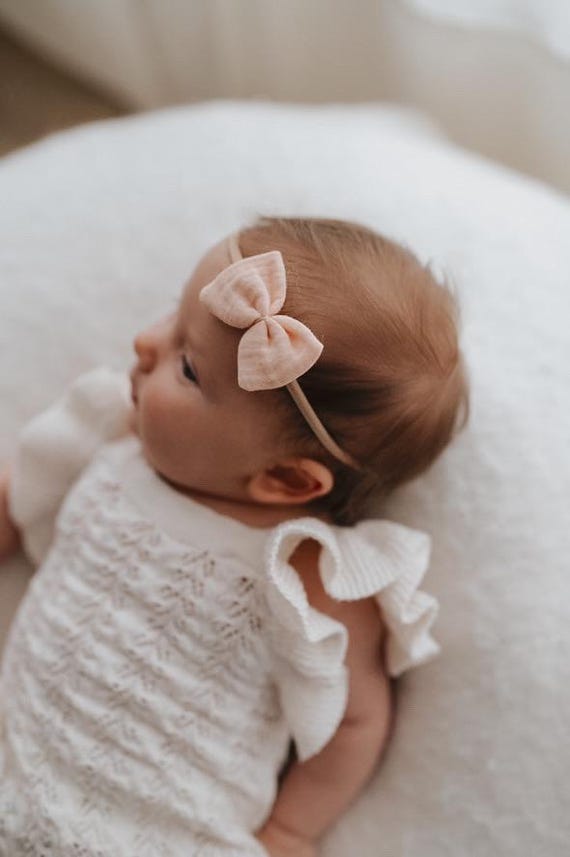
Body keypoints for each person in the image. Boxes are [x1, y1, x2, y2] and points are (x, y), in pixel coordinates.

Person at [0, 215, 469, 856]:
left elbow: (357, 721)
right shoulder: (112, 434)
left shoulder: (306, 573)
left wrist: (291, 831)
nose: (144, 342)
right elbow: (19, 489)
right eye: (173, 317)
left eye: (188, 367)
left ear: (282, 479)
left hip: (166, 829)